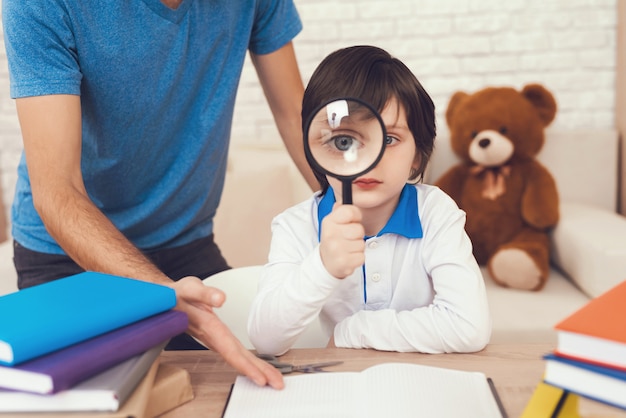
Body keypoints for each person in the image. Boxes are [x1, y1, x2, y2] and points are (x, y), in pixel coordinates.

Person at [2, 0, 317, 389]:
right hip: (67, 257)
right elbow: (57, 191)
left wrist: (358, 207)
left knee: (245, 386)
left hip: (185, 244)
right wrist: (161, 294)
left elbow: (294, 114)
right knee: (99, 403)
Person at [248, 45, 492, 355]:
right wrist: (323, 265)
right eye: (345, 140)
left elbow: (469, 328)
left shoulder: (436, 213)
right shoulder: (295, 226)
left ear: (417, 157)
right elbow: (266, 340)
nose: (366, 160)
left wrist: (354, 330)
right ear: (316, 152)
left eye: (389, 139)